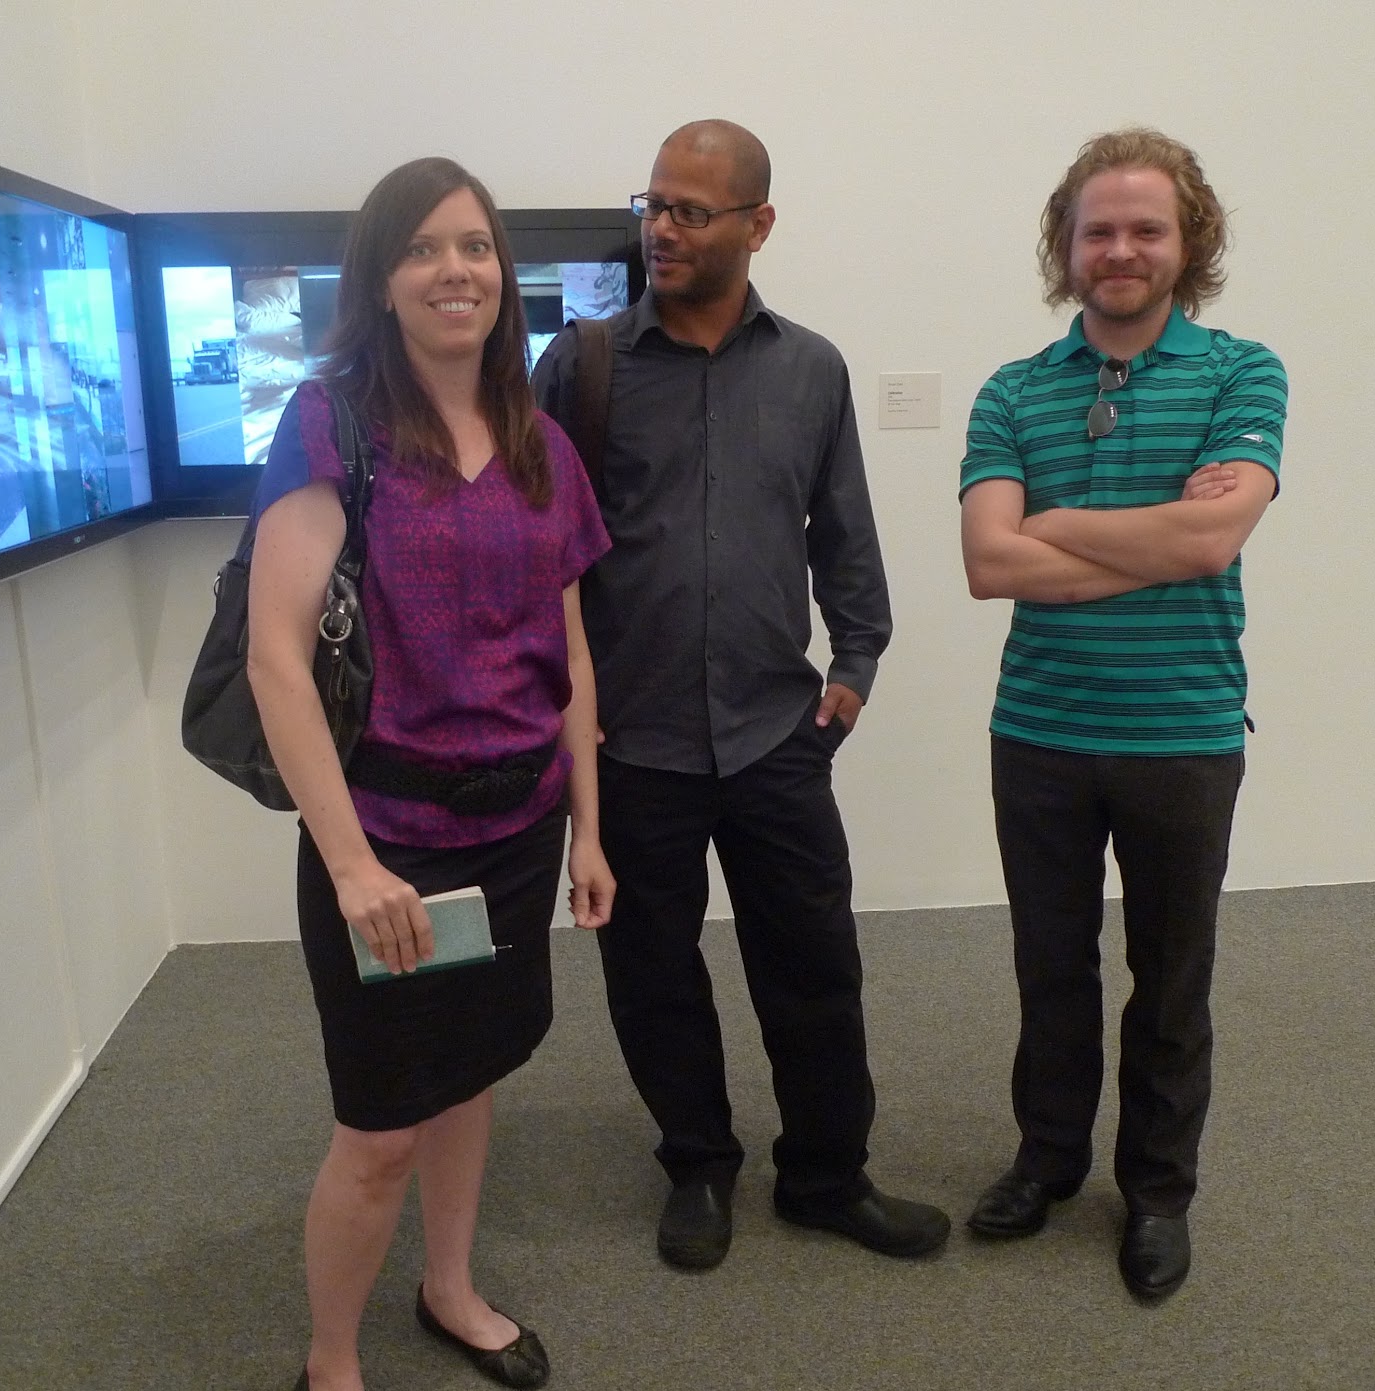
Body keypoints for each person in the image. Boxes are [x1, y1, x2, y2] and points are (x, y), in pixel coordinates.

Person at [533, 119, 949, 1271]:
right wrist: (557, 707)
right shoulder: (583, 366)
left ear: (757, 225)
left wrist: (855, 665)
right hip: (633, 741)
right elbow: (533, 552)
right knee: (653, 973)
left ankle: (826, 1175)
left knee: (814, 965)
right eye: (652, 204)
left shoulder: (810, 368)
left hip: (776, 731)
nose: (660, 229)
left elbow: (842, 528)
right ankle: (698, 1163)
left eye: (689, 210)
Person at [246, 157, 614, 1391]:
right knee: (378, 1131)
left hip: (515, 830)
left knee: (468, 1075)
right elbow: (276, 660)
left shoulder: (541, 443)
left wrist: (588, 830)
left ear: (503, 272)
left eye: (473, 246)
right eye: (420, 248)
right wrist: (350, 864)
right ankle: (331, 1362)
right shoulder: (331, 423)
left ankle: (448, 1287)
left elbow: (570, 653)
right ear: (379, 279)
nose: (453, 270)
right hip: (390, 845)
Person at [958, 128, 1287, 1300]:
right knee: (1050, 967)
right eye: (1097, 229)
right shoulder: (1012, 390)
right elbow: (987, 564)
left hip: (1182, 732)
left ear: (1188, 241)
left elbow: (1209, 541)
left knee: (1171, 978)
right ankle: (1047, 1159)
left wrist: (1052, 527)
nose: (1120, 249)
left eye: (1146, 228)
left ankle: (1155, 1191)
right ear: (1066, 244)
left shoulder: (1242, 374)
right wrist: (1154, 534)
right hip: (1038, 730)